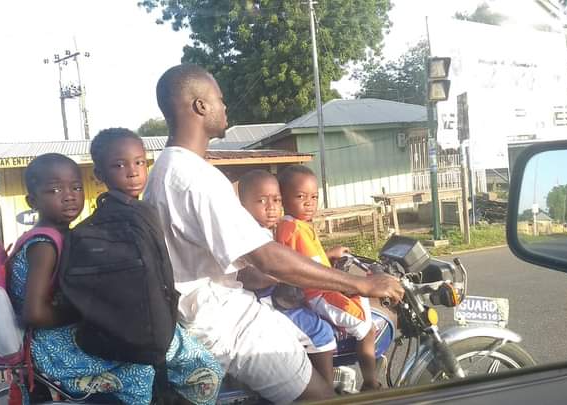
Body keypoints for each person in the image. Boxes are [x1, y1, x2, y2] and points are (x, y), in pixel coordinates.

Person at [145, 63, 404, 404]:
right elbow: (266, 256)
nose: (225, 108)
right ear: (200, 106)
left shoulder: (164, 170)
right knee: (319, 397)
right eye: (220, 100)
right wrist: (362, 285)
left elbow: (219, 261)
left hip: (207, 315)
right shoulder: (195, 177)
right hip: (229, 324)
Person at [7, 152, 220, 405]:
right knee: (139, 365)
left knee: (148, 345)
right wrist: (88, 312)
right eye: (54, 190)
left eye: (76, 187)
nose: (69, 195)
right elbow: (34, 313)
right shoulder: (44, 245)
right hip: (53, 349)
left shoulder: (68, 236)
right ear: (32, 200)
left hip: (60, 338)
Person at [89, 128, 225, 404]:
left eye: (139, 162)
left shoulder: (134, 211)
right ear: (99, 174)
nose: (132, 172)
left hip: (135, 326)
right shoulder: (129, 217)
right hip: (148, 328)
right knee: (207, 372)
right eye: (119, 165)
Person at [275, 164, 382, 390]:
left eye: (314, 196)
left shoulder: (294, 225)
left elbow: (305, 257)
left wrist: (329, 254)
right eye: (300, 196)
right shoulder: (293, 228)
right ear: (283, 198)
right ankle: (371, 382)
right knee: (367, 328)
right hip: (318, 292)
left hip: (318, 287)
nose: (309, 202)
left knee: (363, 304)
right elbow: (309, 269)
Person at [236, 169, 337, 387]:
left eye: (276, 200)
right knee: (323, 333)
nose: (271, 207)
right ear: (243, 205)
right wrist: (283, 274)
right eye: (261, 200)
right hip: (267, 302)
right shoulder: (248, 235)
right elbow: (250, 276)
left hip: (276, 296)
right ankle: (327, 393)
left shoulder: (266, 230)